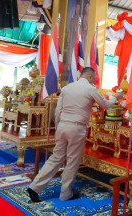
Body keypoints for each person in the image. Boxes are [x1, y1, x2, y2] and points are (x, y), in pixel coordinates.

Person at [27, 67, 123, 203]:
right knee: (72, 161)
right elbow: (106, 105)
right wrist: (116, 97)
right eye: (94, 78)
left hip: (62, 126)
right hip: (76, 128)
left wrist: (60, 126)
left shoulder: (66, 88)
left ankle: (34, 188)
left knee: (55, 158)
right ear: (90, 76)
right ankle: (65, 194)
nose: (93, 80)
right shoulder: (91, 89)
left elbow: (57, 112)